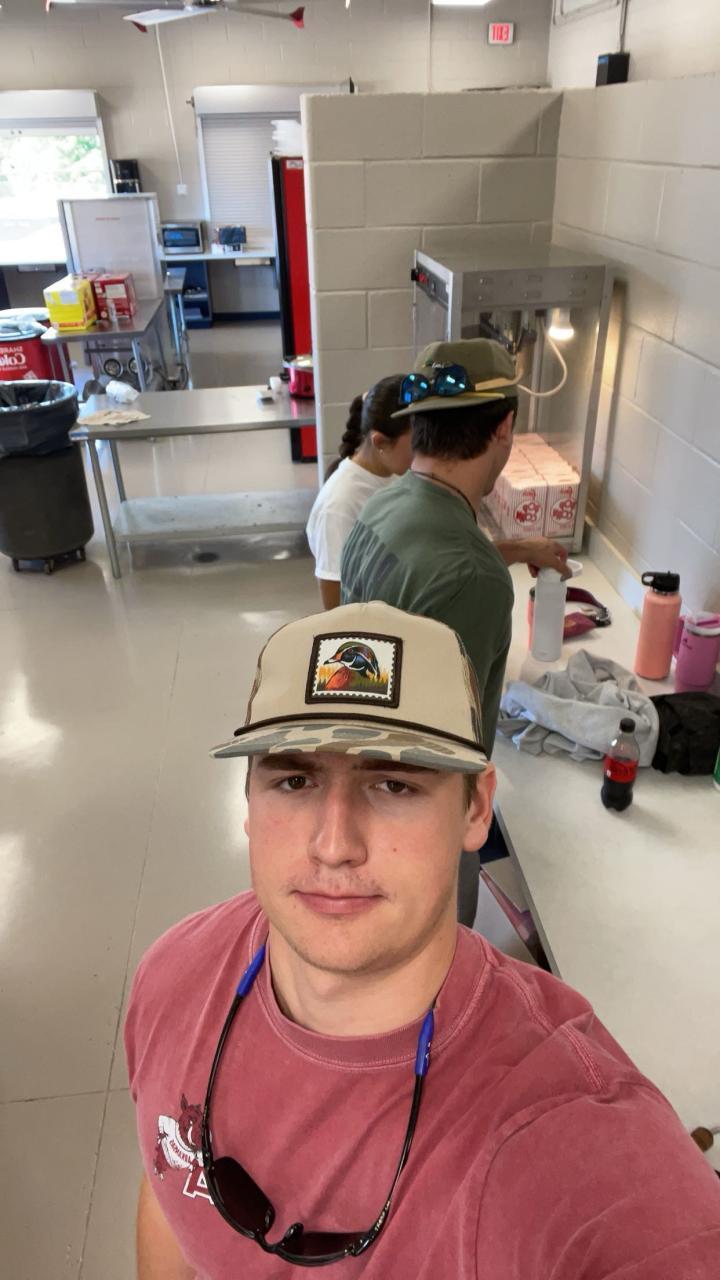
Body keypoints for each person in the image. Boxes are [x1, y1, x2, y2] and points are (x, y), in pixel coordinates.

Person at [126, 602, 720, 1279]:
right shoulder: (175, 975)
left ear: (476, 808)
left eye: (394, 783)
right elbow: (169, 1190)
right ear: (249, 801)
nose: (335, 844)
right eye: (294, 780)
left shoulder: (570, 1133)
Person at [339, 339, 566, 924]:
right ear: (504, 428)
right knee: (435, 949)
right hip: (417, 829)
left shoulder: (383, 505)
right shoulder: (474, 577)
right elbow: (442, 749)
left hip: (359, 763)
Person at [306, 376, 412, 610]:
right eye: (416, 443)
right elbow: (336, 608)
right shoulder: (338, 506)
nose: (424, 451)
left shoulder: (394, 472)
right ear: (380, 442)